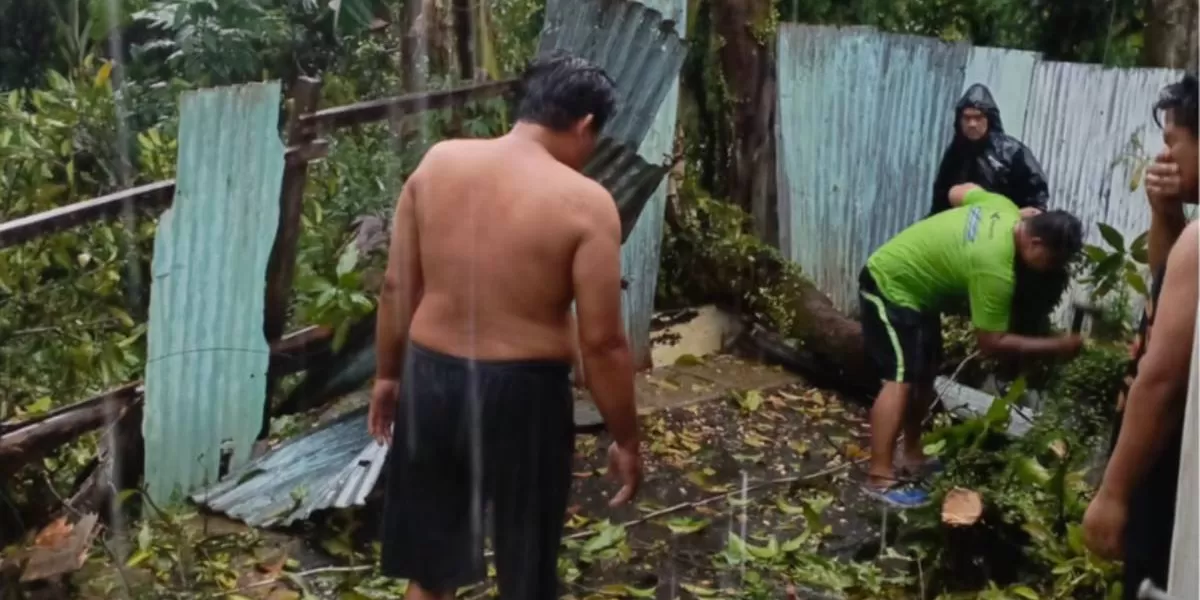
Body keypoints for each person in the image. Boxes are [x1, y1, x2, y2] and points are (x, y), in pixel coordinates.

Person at [366, 52, 643, 600]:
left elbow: (399, 287)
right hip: (524, 397)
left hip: (432, 380)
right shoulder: (586, 204)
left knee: (432, 569)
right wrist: (627, 437)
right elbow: (604, 341)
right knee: (527, 566)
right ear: (585, 124)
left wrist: (388, 378)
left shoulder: (438, 163)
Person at [859, 184, 1084, 507]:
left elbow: (957, 192)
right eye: (1051, 261)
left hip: (919, 295)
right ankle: (879, 479)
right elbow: (991, 343)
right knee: (901, 378)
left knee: (925, 373)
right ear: (1035, 241)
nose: (1051, 270)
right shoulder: (995, 267)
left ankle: (911, 455)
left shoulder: (1004, 206)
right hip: (888, 284)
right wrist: (1055, 346)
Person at [1083, 73, 1198, 600]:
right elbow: (1164, 288)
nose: (1164, 155)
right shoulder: (1190, 238)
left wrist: (1113, 492)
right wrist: (1165, 211)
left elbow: (1164, 377)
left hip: (1171, 477)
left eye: (1173, 141)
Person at [928, 84, 1051, 217]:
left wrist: (1017, 216)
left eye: (978, 117)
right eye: (967, 118)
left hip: (1004, 225)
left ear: (989, 119)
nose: (972, 124)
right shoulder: (954, 154)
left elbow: (1036, 197)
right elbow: (940, 199)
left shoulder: (1012, 152)